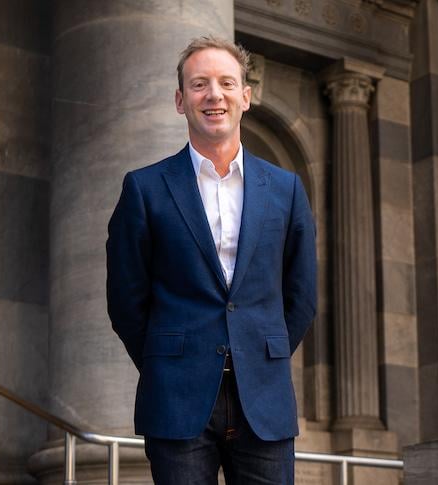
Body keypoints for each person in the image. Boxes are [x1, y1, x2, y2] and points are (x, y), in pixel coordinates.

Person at [106, 35, 317, 484]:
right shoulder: (144, 188)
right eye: (199, 84)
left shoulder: (286, 190)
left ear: (246, 96)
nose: (213, 95)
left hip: (264, 398)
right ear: (180, 100)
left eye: (226, 83)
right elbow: (126, 299)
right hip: (176, 397)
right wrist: (168, 360)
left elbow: (301, 296)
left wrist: (259, 353)